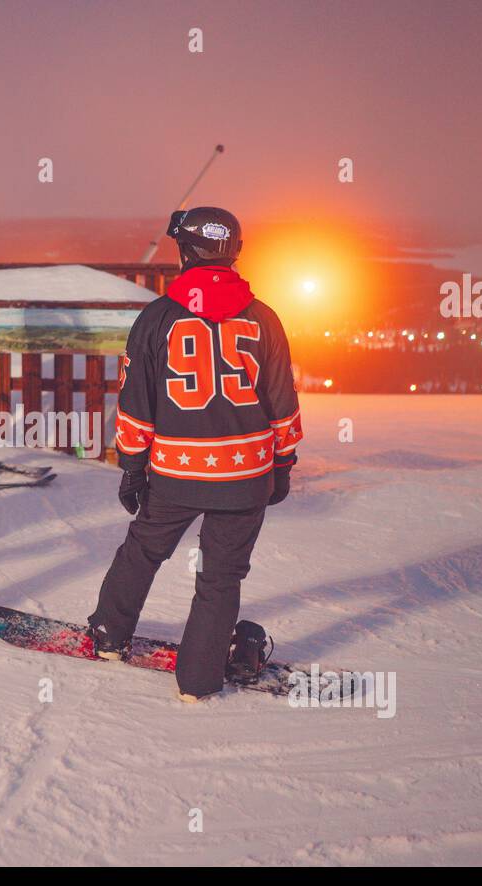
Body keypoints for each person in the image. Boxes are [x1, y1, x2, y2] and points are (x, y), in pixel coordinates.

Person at [86, 206, 302, 701]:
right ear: (233, 253)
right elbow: (283, 405)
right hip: (247, 474)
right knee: (220, 576)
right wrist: (283, 466)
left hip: (175, 472)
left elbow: (137, 408)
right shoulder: (265, 318)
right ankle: (198, 681)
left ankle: (108, 636)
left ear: (184, 251)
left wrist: (132, 468)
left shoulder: (156, 318)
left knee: (142, 550)